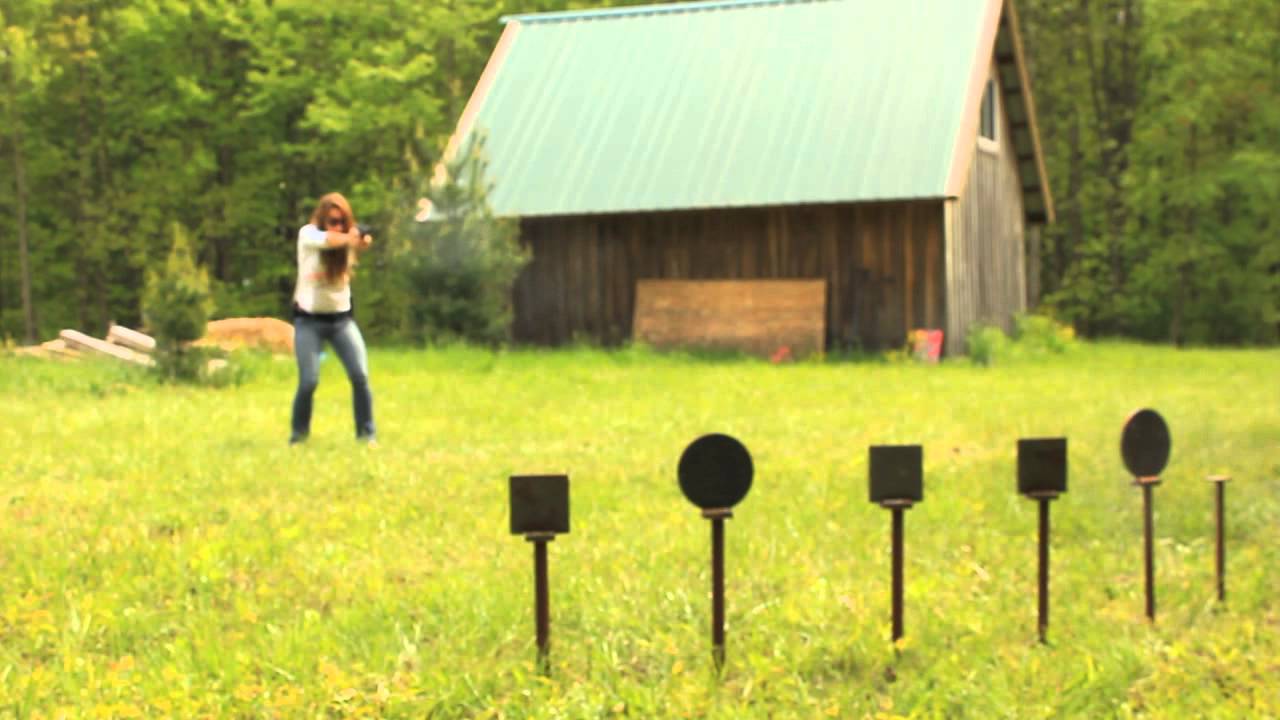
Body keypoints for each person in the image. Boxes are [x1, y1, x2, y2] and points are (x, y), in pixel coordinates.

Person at [290, 192, 376, 445]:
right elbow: (327, 240)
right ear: (322, 219)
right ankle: (298, 436)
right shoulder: (308, 235)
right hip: (308, 321)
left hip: (341, 321)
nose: (336, 225)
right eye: (332, 220)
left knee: (360, 376)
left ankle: (367, 435)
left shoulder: (346, 243)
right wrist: (350, 238)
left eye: (341, 221)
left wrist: (362, 240)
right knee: (309, 381)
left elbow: (360, 242)